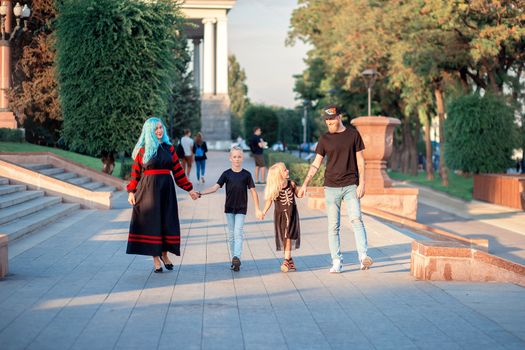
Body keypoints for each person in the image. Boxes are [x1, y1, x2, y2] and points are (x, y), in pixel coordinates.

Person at [298, 105, 373, 273]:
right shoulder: (324, 139)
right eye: (327, 120)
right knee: (333, 226)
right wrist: (304, 184)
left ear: (339, 117)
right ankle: (337, 261)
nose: (329, 123)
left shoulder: (353, 135)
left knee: (356, 219)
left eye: (332, 119)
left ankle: (363, 257)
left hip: (350, 185)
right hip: (331, 187)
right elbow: (316, 163)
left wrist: (362, 183)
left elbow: (361, 161)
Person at [126, 117, 199, 273]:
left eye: (160, 127)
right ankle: (156, 259)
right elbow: (135, 173)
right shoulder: (143, 150)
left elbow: (178, 172)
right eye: (155, 129)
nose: (159, 130)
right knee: (152, 224)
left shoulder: (169, 148)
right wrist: (131, 191)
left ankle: (165, 255)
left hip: (166, 191)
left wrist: (190, 189)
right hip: (147, 192)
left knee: (166, 222)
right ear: (149, 131)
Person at [198, 146, 262, 271]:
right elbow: (215, 188)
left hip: (241, 208)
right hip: (229, 208)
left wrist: (257, 209)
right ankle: (234, 260)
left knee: (238, 233)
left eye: (239, 157)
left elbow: (253, 192)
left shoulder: (246, 175)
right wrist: (200, 193)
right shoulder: (226, 174)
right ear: (230, 158)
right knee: (231, 235)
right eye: (234, 157)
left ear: (242, 158)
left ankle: (237, 256)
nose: (237, 159)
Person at [260, 162, 301, 272]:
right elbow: (269, 201)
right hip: (281, 216)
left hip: (291, 215)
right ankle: (290, 261)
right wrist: (263, 212)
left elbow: (299, 194)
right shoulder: (276, 188)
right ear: (279, 175)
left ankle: (286, 261)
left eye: (286, 169)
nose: (287, 170)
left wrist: (303, 188)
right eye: (284, 170)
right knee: (284, 238)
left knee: (288, 236)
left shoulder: (291, 184)